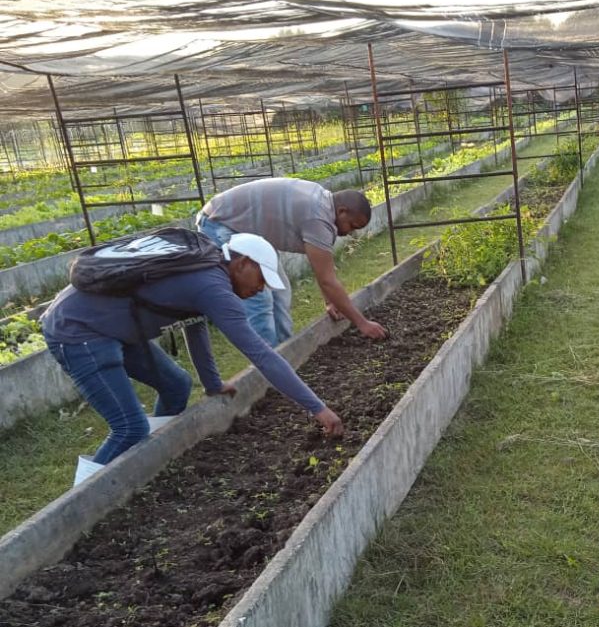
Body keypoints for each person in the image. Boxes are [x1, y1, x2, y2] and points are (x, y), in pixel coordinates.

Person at [41, 233, 345, 476]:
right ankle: (82, 502)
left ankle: (148, 464)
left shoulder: (205, 266)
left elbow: (193, 323)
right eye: (261, 280)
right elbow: (262, 356)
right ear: (242, 263)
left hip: (113, 326)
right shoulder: (212, 286)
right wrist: (318, 408)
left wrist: (211, 383)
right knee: (129, 426)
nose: (261, 289)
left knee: (177, 386)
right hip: (78, 332)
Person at [195, 178, 388, 346]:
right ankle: (269, 370)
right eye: (352, 225)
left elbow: (321, 269)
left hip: (247, 231)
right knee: (259, 299)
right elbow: (328, 280)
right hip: (221, 223)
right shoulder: (319, 218)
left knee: (280, 291)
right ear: (342, 211)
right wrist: (362, 323)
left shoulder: (322, 202)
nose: (350, 232)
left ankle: (287, 354)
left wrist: (330, 300)